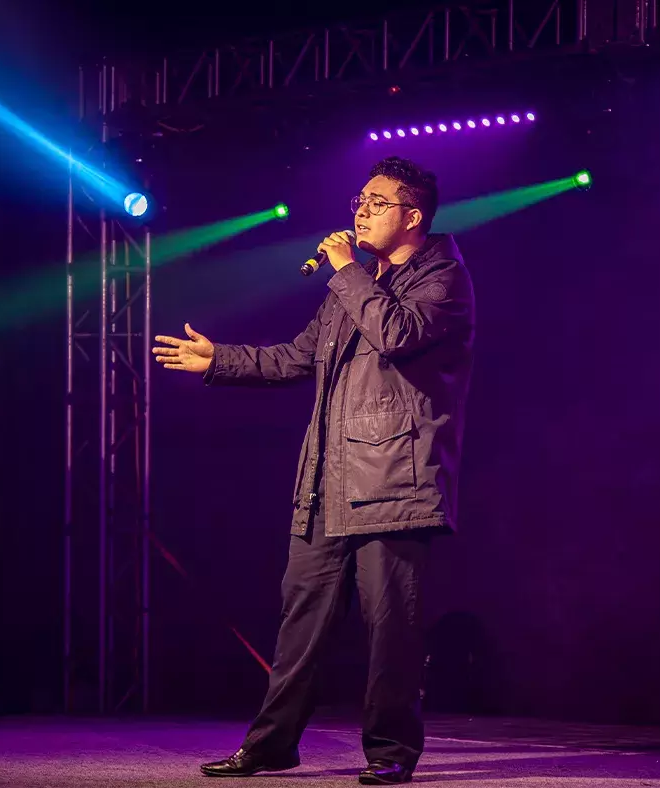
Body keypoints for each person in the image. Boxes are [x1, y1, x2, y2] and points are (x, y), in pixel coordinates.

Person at [152, 157, 474, 785]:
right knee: (300, 623)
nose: (360, 209)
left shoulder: (443, 278)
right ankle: (272, 745)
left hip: (398, 480)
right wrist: (219, 359)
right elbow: (296, 358)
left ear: (412, 216)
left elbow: (397, 333)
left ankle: (390, 753)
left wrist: (347, 272)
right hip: (329, 479)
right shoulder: (355, 286)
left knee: (393, 631)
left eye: (377, 202)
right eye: (359, 198)